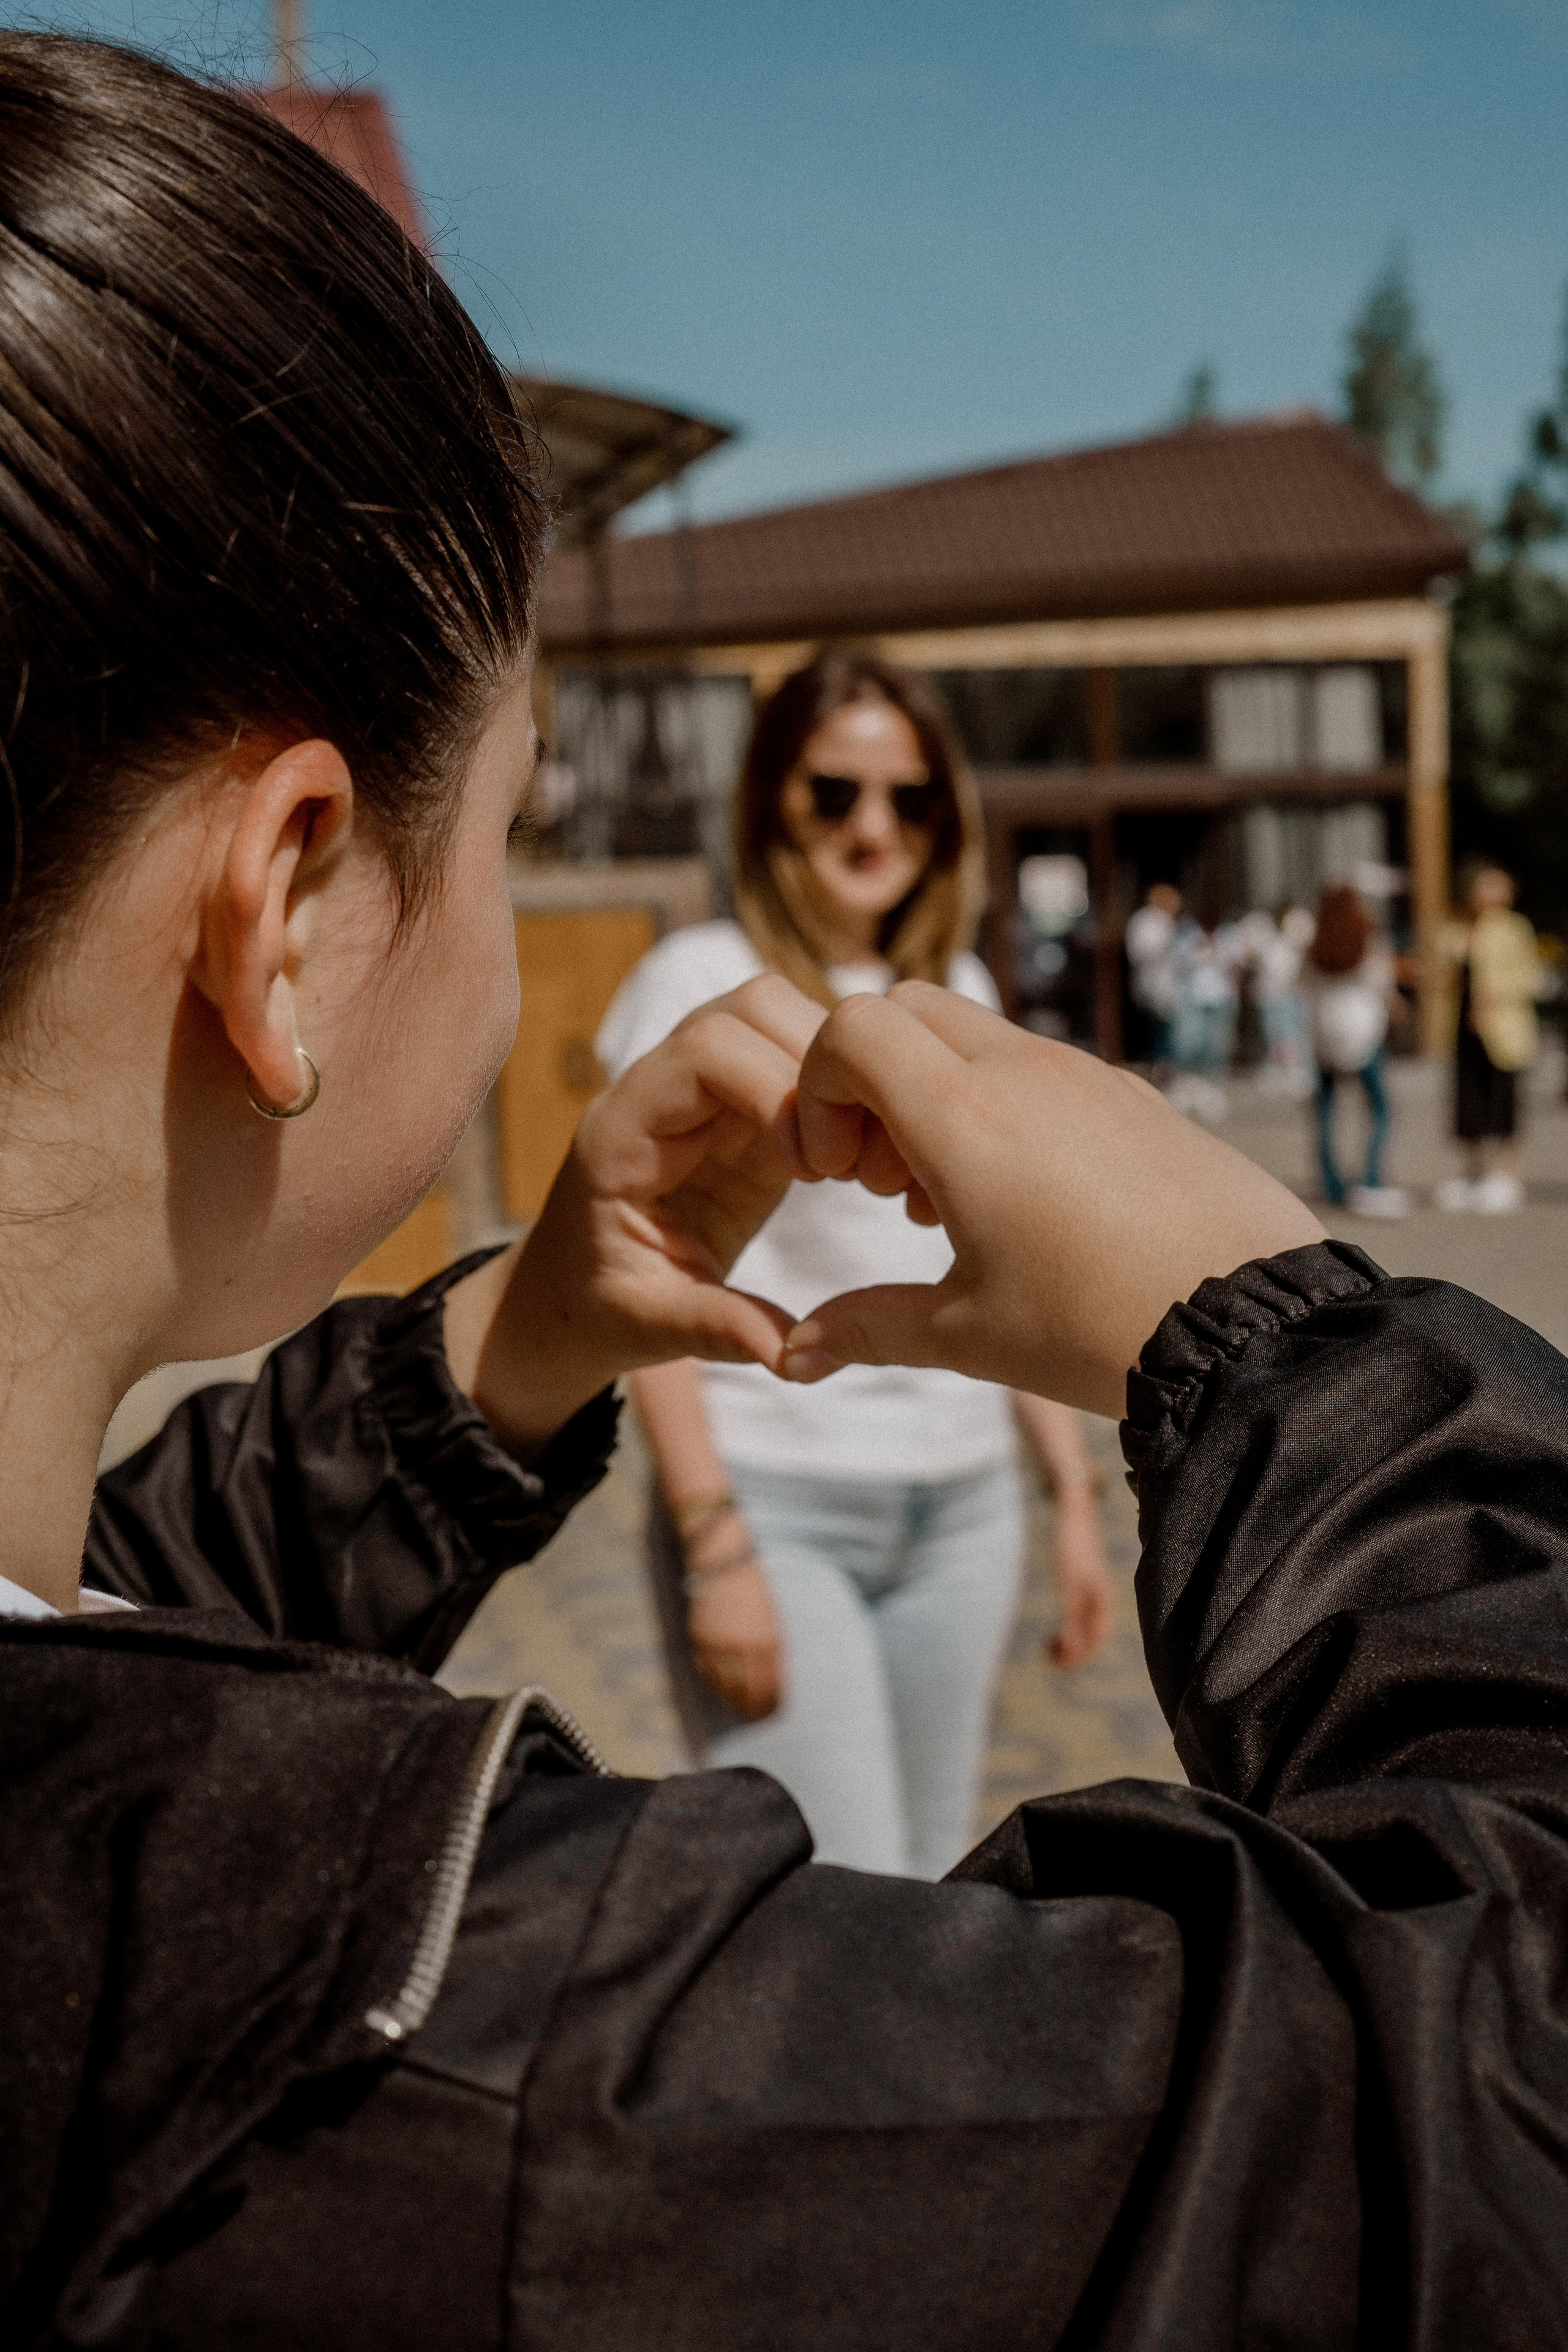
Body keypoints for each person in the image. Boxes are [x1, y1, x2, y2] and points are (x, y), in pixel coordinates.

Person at [7, 36, 1568, 2351]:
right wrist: (1260, 1320)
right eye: (511, 817)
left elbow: (109, 1606)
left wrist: (504, 1354)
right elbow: (1482, 2106)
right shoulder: (421, 2030)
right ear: (290, 904)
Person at [595, 651, 1114, 1877]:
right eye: (836, 793)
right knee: (834, 1892)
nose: (874, 827)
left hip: (960, 1509)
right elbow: (644, 1273)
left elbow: (1004, 1266)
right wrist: (713, 1543)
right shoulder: (694, 979)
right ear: (774, 797)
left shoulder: (961, 988)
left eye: (909, 797)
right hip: (776, 1499)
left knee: (930, 1874)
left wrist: (1073, 1502)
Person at [1436, 858, 1544, 1214]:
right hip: (1464, 1031)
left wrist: (1493, 997)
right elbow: (1443, 972)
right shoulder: (1455, 928)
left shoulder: (1514, 928)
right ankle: (1473, 1174)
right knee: (1468, 1102)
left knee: (1504, 1100)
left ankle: (1507, 1174)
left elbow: (1531, 977)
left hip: (1503, 1029)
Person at [1300, 883, 1410, 1218]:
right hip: (1364, 1030)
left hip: (1324, 1033)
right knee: (1380, 1108)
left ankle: (1332, 1183)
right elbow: (1384, 985)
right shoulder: (1368, 942)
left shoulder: (1313, 947)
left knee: (1326, 1110)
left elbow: (1300, 983)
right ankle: (1370, 1180)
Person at [1235, 902, 1316, 1098]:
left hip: (1291, 994)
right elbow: (1251, 960)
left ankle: (1298, 1070)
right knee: (1273, 1035)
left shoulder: (1292, 941)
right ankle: (1276, 1070)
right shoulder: (1268, 939)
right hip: (1269, 996)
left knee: (1293, 1034)